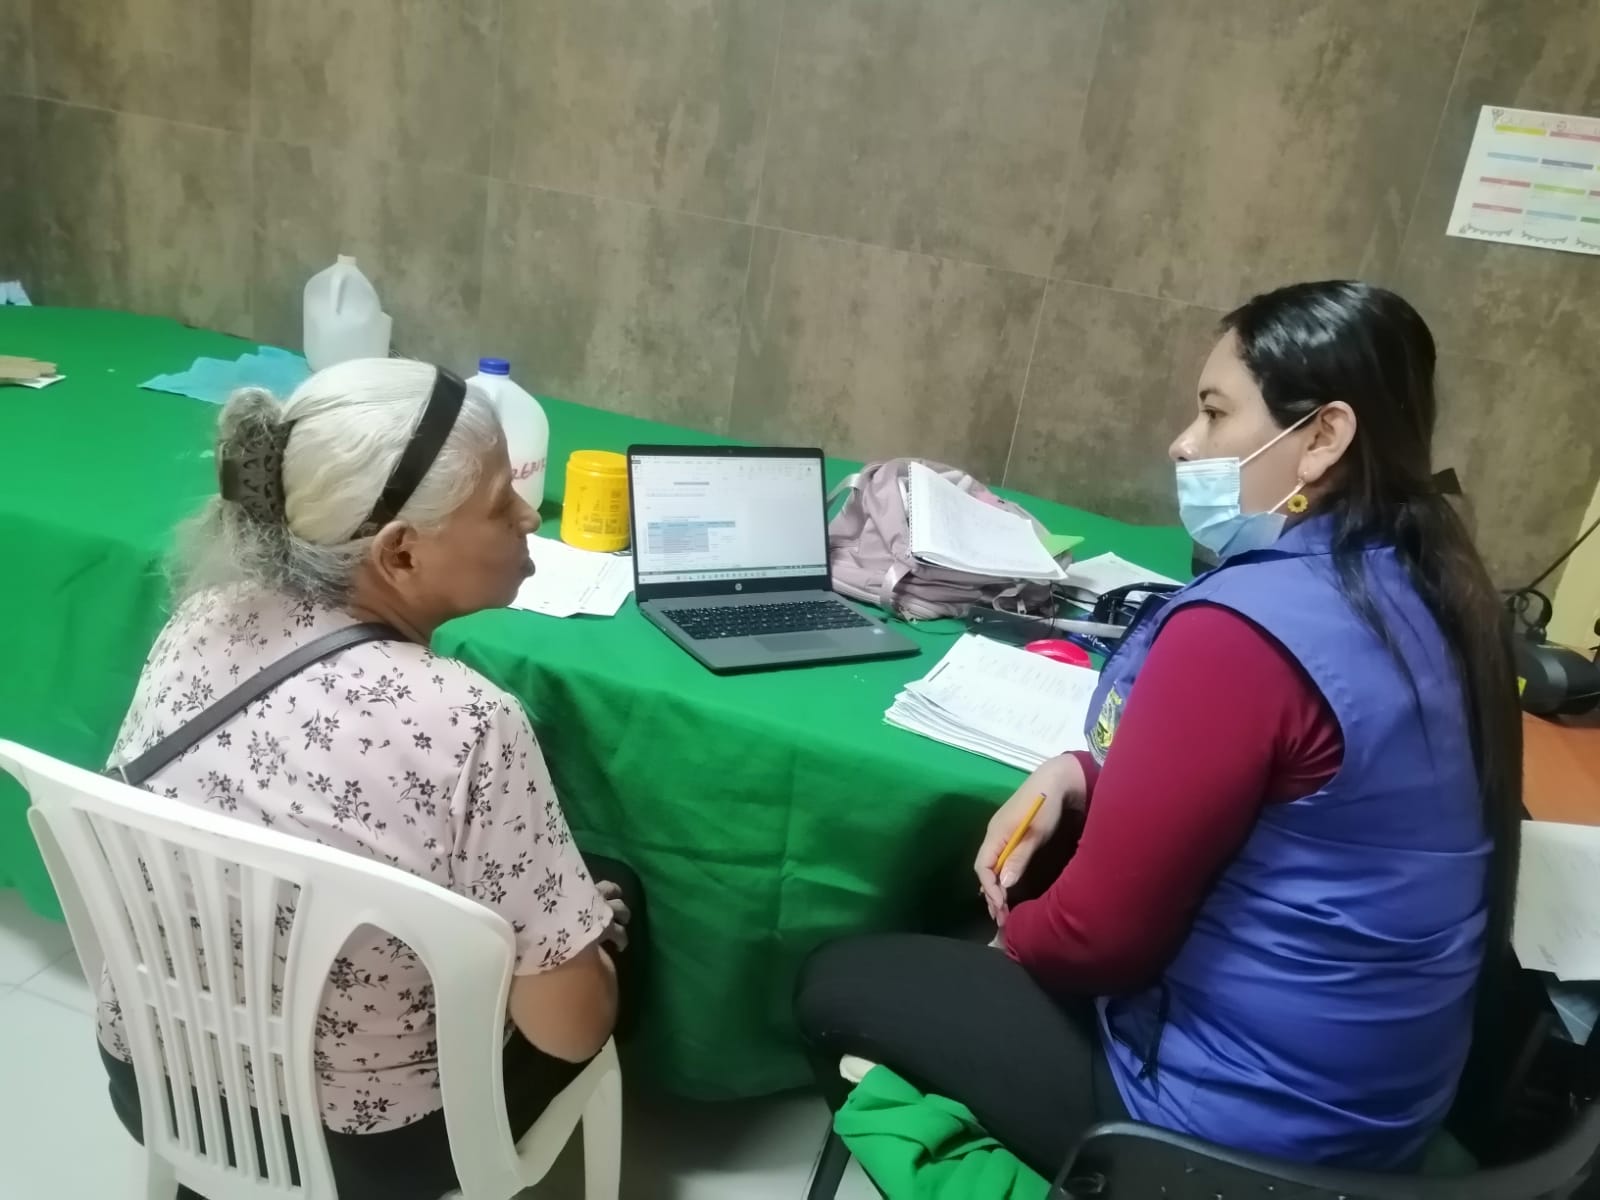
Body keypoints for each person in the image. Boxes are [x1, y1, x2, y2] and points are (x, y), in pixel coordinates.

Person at [796, 281, 1521, 1177]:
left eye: (1215, 413)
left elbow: (1098, 939)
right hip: (1377, 1110)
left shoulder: (1245, 632)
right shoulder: (1435, 592)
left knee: (839, 983)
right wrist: (1083, 771)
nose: (1185, 443)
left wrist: (1008, 944)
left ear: (1323, 437)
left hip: (1230, 1130)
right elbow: (1291, 789)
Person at [97, 359, 647, 1199]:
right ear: (400, 552)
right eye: (500, 501)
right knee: (613, 909)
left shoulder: (201, 616)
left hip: (154, 1082)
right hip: (365, 1149)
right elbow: (569, 1033)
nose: (528, 513)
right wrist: (590, 944)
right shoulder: (470, 722)